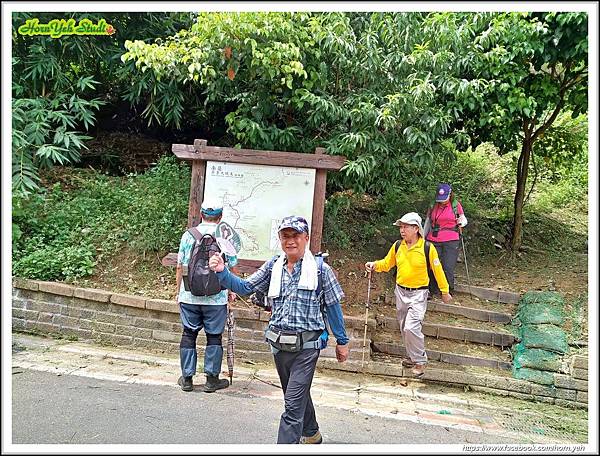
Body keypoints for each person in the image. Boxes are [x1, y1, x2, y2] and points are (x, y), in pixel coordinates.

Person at [208, 215, 350, 444]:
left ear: (306, 238)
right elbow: (245, 287)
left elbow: (333, 308)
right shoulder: (274, 266)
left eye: (295, 236)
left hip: (307, 346)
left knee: (292, 404)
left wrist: (342, 342)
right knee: (295, 395)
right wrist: (223, 272)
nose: (290, 241)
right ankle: (311, 433)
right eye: (286, 236)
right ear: (280, 238)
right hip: (279, 345)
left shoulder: (321, 270)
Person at [364, 212, 451, 377]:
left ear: (416, 229)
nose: (402, 230)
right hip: (401, 291)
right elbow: (387, 263)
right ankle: (413, 356)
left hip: (419, 293)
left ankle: (420, 361)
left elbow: (438, 270)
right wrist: (374, 265)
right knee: (405, 328)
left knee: (412, 327)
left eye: (405, 227)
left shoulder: (427, 248)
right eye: (401, 227)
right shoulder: (398, 246)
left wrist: (444, 291)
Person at [175, 197, 237, 393]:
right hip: (216, 298)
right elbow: (232, 267)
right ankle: (212, 379)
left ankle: (187, 378)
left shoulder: (188, 235)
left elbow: (180, 267)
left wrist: (178, 292)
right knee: (214, 336)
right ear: (220, 217)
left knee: (188, 334)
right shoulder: (225, 239)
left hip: (189, 295)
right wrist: (231, 291)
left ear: (201, 215)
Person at [423, 183, 468, 296]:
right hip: (433, 238)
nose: (442, 201)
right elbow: (428, 221)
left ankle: (447, 290)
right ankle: (431, 290)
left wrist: (462, 222)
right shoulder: (433, 205)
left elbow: (462, 217)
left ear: (450, 194)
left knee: (448, 265)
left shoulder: (455, 205)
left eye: (444, 198)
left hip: (451, 239)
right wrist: (422, 236)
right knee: (432, 264)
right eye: (440, 199)